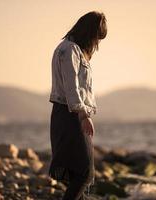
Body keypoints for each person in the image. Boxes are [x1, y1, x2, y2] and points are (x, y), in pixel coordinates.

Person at [48, 11, 107, 200]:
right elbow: (71, 86)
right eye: (96, 38)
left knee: (76, 173)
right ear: (89, 33)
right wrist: (83, 115)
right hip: (70, 115)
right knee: (84, 173)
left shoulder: (70, 49)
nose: (96, 44)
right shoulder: (70, 50)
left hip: (66, 113)